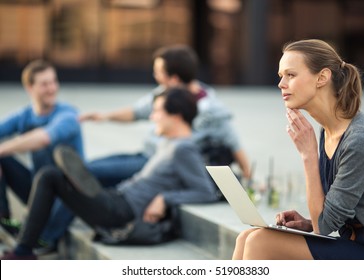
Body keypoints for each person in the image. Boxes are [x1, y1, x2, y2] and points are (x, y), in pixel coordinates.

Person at [0, 87, 218, 260]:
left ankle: (23, 250)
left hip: (122, 212)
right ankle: (27, 245)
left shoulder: (184, 148)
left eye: (158, 111)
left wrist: (164, 198)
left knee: (50, 176)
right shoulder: (169, 144)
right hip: (118, 199)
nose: (152, 117)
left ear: (177, 115)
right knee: (54, 176)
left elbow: (204, 191)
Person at [233, 39, 364, 260]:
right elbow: (327, 219)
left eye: (291, 75)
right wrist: (307, 222)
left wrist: (308, 154)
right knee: (247, 237)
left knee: (261, 242)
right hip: (356, 244)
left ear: (322, 78)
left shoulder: (361, 140)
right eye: (281, 76)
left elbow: (323, 227)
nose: (281, 84)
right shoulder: (329, 130)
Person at [80, 45, 251, 188]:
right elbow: (136, 112)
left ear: (174, 79)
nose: (155, 77)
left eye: (158, 73)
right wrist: (103, 116)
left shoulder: (212, 111)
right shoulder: (164, 93)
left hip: (159, 166)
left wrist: (249, 179)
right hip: (145, 155)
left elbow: (233, 143)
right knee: (84, 169)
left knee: (85, 174)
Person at [0, 60, 84, 253]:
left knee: (30, 153)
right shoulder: (24, 115)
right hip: (37, 187)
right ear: (30, 87)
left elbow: (44, 138)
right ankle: (3, 218)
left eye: (54, 82)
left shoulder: (68, 115)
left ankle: (43, 241)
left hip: (68, 192)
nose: (52, 88)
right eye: (45, 84)